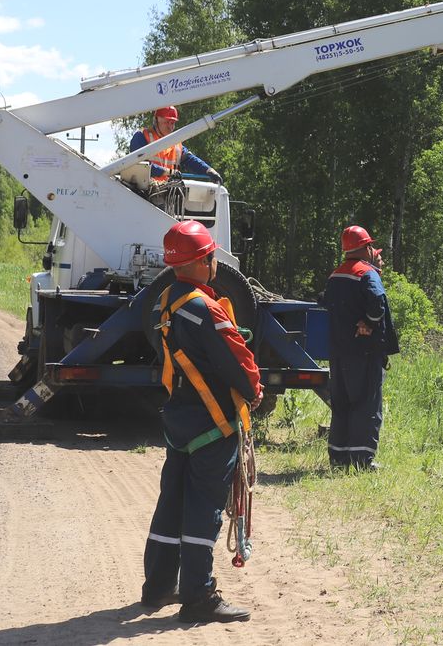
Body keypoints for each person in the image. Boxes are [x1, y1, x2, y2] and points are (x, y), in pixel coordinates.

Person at [141, 219, 261, 624]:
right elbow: (240, 365)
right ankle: (197, 596)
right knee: (204, 508)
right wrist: (253, 391)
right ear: (204, 261)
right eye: (211, 257)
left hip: (179, 420)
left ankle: (158, 586)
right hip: (213, 424)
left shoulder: (167, 303)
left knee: (171, 501)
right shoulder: (203, 308)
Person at [320, 225, 399, 469]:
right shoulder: (367, 273)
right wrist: (370, 322)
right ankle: (361, 461)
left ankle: (339, 458)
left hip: (339, 352)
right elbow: (377, 302)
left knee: (342, 404)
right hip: (364, 352)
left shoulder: (335, 275)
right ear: (366, 248)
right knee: (366, 404)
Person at [123, 105, 219, 192]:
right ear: (156, 120)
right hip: (142, 194)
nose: (170, 127)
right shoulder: (142, 137)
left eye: (172, 123)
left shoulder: (176, 144)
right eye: (166, 122)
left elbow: (191, 160)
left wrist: (209, 170)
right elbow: (140, 166)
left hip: (166, 194)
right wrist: (168, 172)